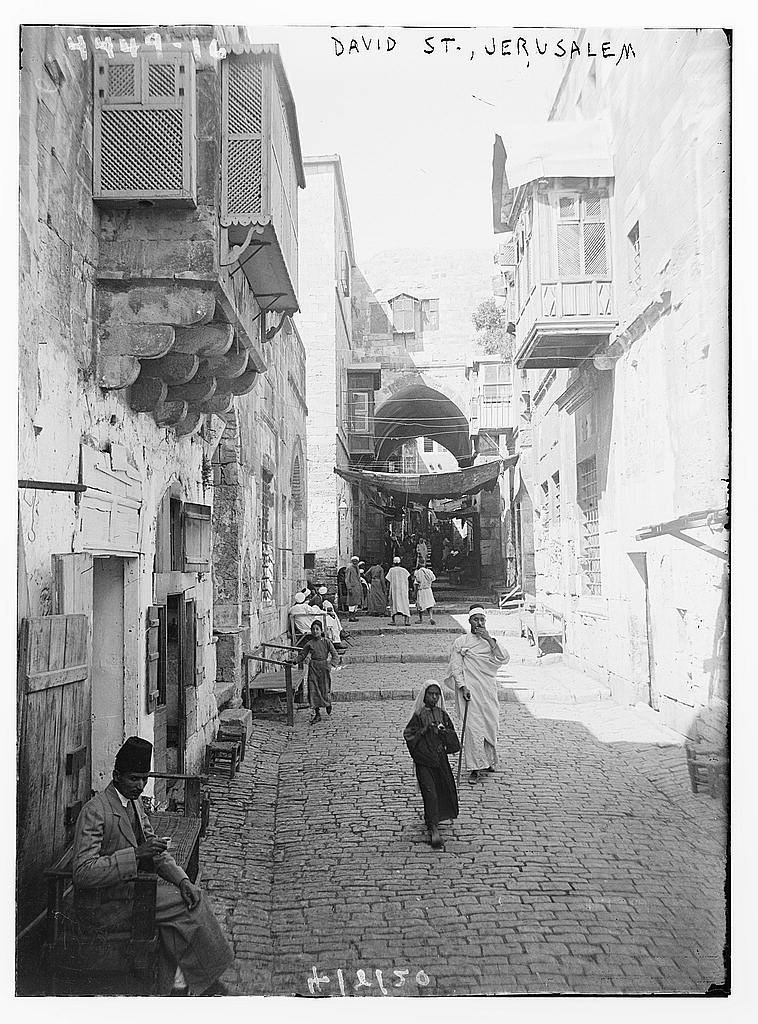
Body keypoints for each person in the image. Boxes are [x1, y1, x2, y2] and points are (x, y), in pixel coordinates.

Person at [72, 737, 233, 996]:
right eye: (134, 779)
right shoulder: (96, 811)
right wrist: (135, 855)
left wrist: (182, 880)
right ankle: (206, 982)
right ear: (116, 776)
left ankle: (176, 986)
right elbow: (83, 872)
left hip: (132, 894)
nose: (140, 785)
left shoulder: (134, 803)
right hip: (104, 904)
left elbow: (155, 850)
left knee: (190, 896)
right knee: (188, 906)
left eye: (144, 779)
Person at [444, 606, 509, 784]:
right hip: (469, 692)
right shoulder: (461, 642)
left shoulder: (490, 642)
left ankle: (488, 761)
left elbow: (503, 658)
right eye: (475, 619)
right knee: (473, 729)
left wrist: (489, 638)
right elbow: (456, 667)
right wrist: (462, 686)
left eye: (482, 619)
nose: (479, 623)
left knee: (490, 726)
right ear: (469, 621)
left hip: (487, 690)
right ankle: (474, 767)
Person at [403, 681, 460, 850]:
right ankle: (433, 828)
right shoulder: (419, 715)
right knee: (430, 792)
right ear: (424, 695)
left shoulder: (442, 715)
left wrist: (444, 733)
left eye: (437, 694)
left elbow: (453, 739)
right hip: (424, 760)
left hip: (440, 760)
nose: (434, 697)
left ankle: (434, 817)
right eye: (430, 694)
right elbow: (409, 735)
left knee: (442, 789)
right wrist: (425, 730)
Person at [298, 620, 339, 724]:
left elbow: (335, 655)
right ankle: (317, 713)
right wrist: (294, 660)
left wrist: (331, 665)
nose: (315, 631)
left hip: (324, 668)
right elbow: (302, 655)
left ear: (321, 630)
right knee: (313, 690)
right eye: (313, 629)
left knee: (324, 689)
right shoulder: (309, 643)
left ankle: (327, 703)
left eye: (317, 629)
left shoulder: (326, 642)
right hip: (313, 668)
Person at [385, 556, 411, 626]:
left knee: (394, 604)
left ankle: (393, 620)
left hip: (394, 590)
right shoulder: (404, 570)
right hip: (403, 590)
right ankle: (407, 620)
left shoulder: (391, 570)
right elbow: (409, 579)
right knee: (404, 603)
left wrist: (387, 589)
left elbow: (388, 581)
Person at [413, 560, 437, 625]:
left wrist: (414, 593)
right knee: (429, 604)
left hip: (421, 590)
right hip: (428, 589)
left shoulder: (417, 572)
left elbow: (416, 583)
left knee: (420, 605)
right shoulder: (429, 571)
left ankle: (421, 619)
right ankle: (431, 617)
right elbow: (433, 578)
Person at [345, 556, 363, 622]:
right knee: (351, 603)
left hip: (357, 587)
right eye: (354, 561)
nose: (355, 562)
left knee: (356, 603)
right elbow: (347, 579)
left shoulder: (357, 568)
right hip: (352, 587)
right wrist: (349, 588)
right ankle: (351, 617)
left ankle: (354, 616)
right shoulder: (349, 568)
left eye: (356, 561)